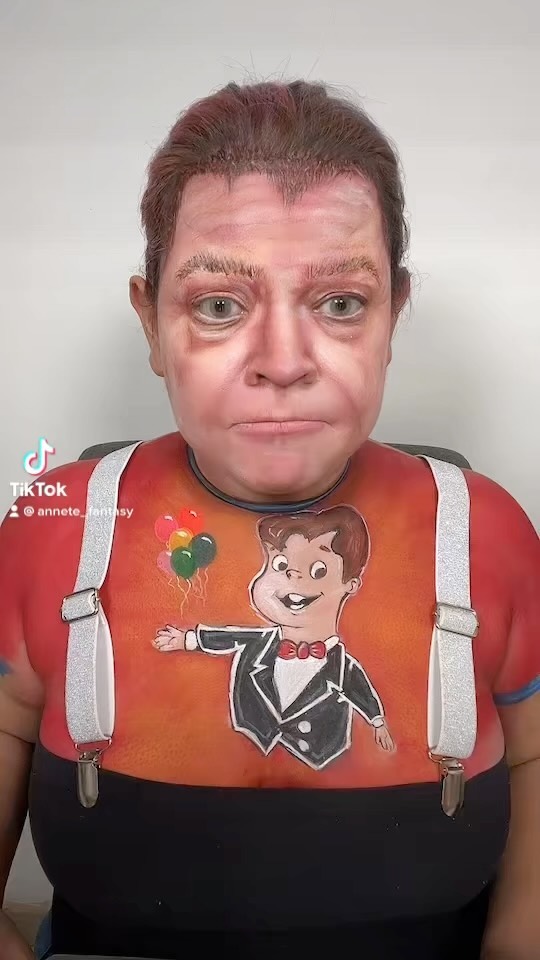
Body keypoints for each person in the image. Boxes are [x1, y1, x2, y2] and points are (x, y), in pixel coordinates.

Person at [0, 79, 539, 960]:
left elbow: (531, 757)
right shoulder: (50, 528)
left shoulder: (490, 535)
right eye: (219, 305)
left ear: (393, 316)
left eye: (340, 303)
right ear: (151, 322)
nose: (283, 363)